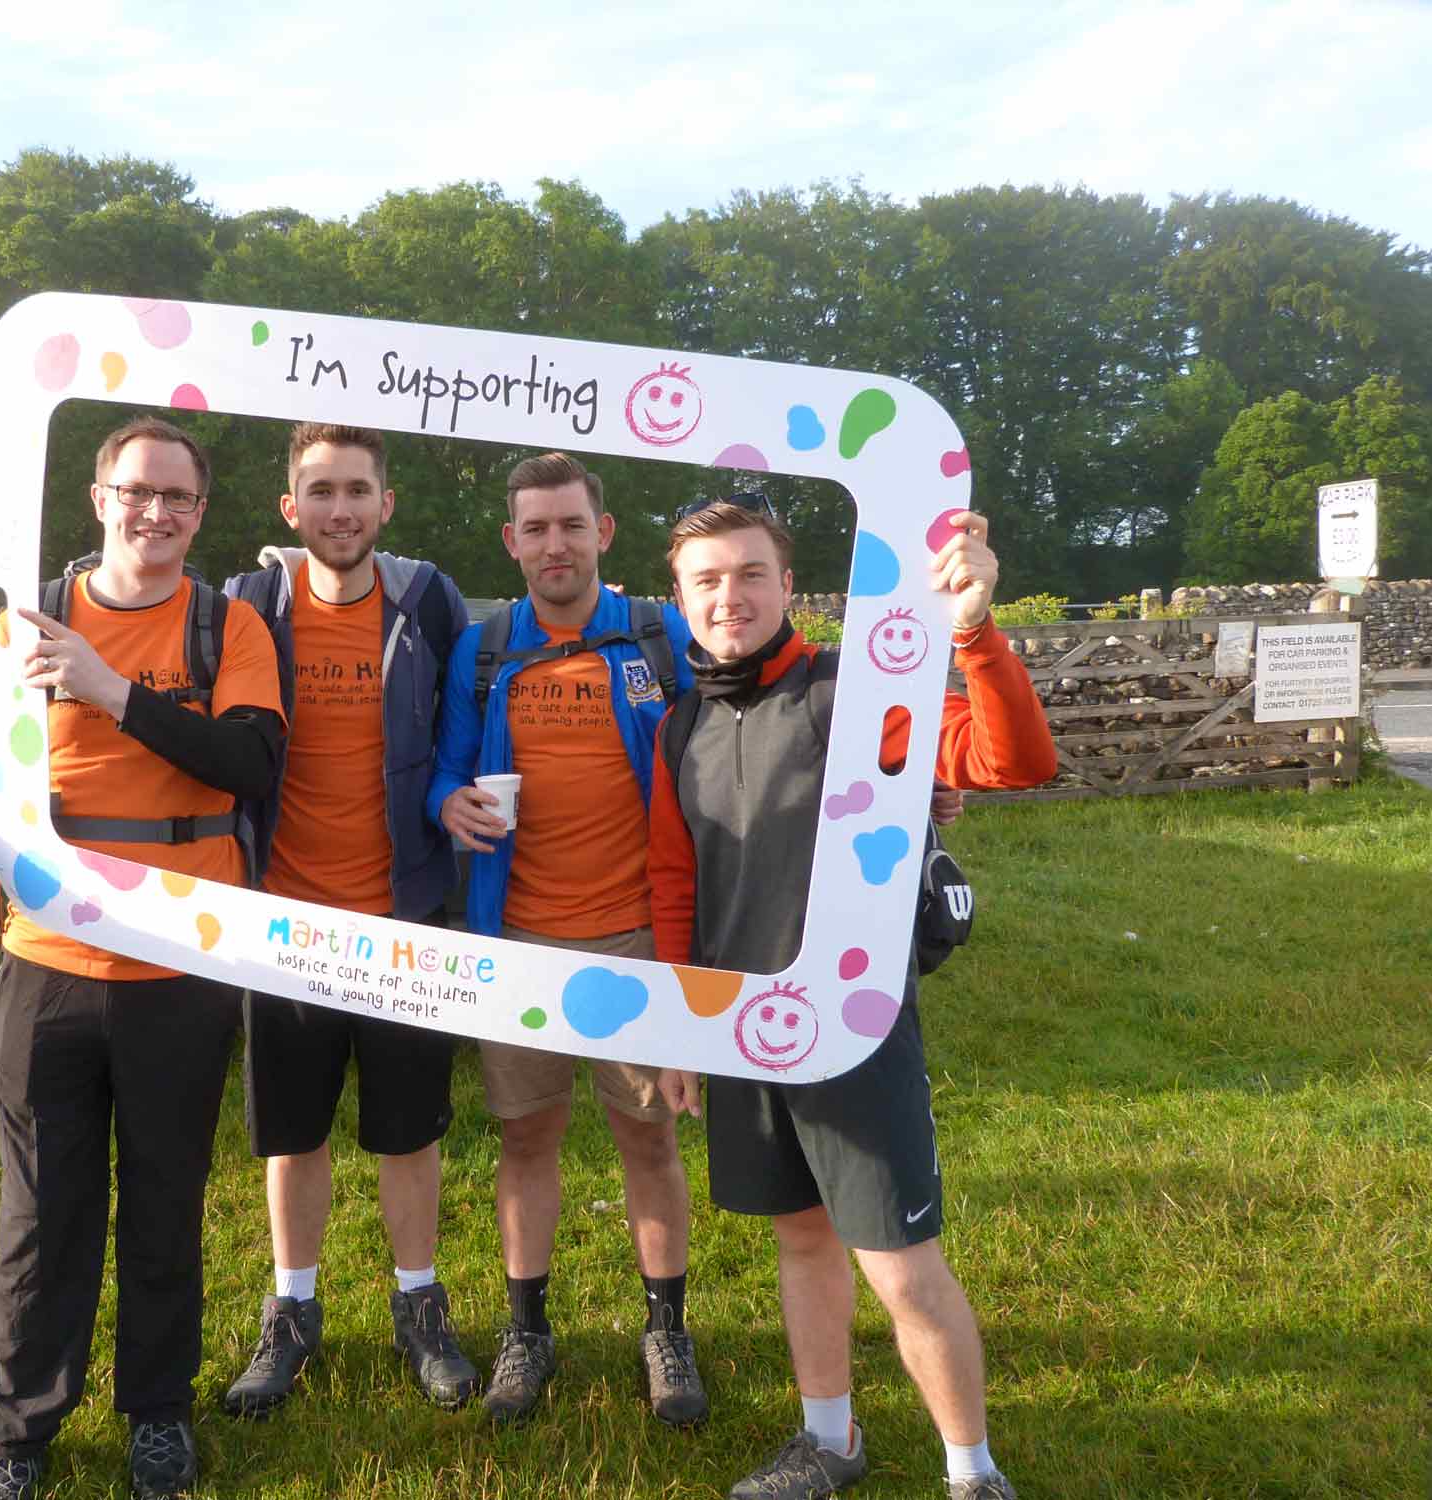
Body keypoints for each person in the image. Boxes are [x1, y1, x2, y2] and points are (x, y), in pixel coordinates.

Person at [0, 416, 287, 1500]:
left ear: (202, 514)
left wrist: (112, 691)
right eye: (136, 491)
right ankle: (18, 1435)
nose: (155, 513)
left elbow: (249, 762)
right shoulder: (32, 626)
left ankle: (157, 1413)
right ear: (98, 496)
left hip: (182, 962)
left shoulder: (227, 627)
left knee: (165, 1203)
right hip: (48, 961)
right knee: (41, 1215)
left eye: (179, 498)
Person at [646, 498, 1057, 1500]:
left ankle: (972, 1473)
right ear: (678, 598)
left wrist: (969, 628)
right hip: (745, 1033)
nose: (728, 596)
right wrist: (675, 1036)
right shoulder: (680, 722)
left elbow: (1011, 760)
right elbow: (673, 884)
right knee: (798, 1237)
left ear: (788, 586)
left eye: (749, 574)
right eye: (706, 579)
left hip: (853, 1028)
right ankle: (827, 1441)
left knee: (901, 1264)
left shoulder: (856, 690)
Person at [426, 450, 709, 1428]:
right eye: (534, 528)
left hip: (637, 933)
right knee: (525, 1137)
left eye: (570, 524)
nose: (554, 543)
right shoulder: (486, 646)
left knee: (647, 1133)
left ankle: (663, 1328)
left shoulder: (656, 633)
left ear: (603, 533)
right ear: (511, 541)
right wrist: (451, 804)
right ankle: (525, 1329)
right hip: (514, 942)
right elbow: (445, 769)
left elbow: (746, 730)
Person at [216, 423, 480, 1416]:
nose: (339, 509)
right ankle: (292, 1311)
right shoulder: (250, 606)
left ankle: (419, 1307)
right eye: (319, 491)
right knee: (293, 1133)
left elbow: (463, 729)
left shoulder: (428, 604)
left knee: (407, 1132)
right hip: (283, 923)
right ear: (290, 509)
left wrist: (456, 801)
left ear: (385, 506)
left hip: (404, 917)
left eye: (356, 490)